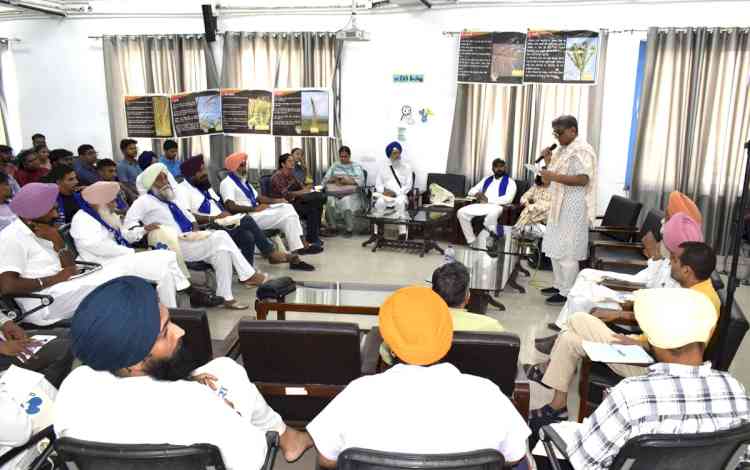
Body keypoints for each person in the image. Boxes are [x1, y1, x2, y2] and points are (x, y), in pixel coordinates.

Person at [54, 276, 314, 469]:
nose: (180, 332)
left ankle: (288, 436)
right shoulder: (195, 402)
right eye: (165, 331)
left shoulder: (75, 384)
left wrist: (187, 382)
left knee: (221, 369)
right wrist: (228, 413)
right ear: (133, 361)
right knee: (230, 373)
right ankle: (288, 437)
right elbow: (254, 459)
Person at [308, 286, 532, 469]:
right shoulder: (487, 393)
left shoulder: (358, 393)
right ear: (446, 339)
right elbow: (514, 457)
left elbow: (327, 459)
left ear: (391, 346)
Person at [527, 237, 720, 424]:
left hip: (646, 363)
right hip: (641, 346)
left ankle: (553, 387)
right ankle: (558, 402)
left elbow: (677, 351)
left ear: (687, 270)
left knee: (572, 332)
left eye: (675, 260)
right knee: (575, 324)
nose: (670, 262)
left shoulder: (699, 302)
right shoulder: (696, 291)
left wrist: (638, 343)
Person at [551, 288, 750, 470]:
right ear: (706, 335)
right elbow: (743, 459)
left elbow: (582, 461)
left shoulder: (631, 394)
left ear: (654, 341)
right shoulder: (735, 390)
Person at [124, 163, 266, 310]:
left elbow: (188, 215)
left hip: (190, 239)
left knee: (221, 253)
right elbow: (127, 230)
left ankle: (226, 297)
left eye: (166, 178)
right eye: (161, 179)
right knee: (221, 235)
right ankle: (248, 274)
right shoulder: (144, 201)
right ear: (152, 184)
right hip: (174, 246)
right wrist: (143, 230)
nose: (166, 182)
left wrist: (195, 228)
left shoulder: (170, 199)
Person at [548, 201, 703, 332]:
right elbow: (654, 276)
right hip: (639, 292)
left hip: (637, 301)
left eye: (667, 218)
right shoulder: (676, 254)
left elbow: (655, 292)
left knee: (580, 299)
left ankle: (565, 332)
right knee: (585, 275)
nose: (663, 222)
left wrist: (654, 255)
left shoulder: (681, 269)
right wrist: (655, 256)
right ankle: (564, 328)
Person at [0, 183, 135, 326]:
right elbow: (8, 286)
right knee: (115, 289)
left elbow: (70, 267)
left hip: (64, 288)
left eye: (56, 209)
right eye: (51, 210)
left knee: (123, 276)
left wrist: (58, 242)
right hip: (44, 302)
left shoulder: (45, 229)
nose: (56, 215)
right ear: (34, 212)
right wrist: (56, 278)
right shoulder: (12, 238)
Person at [177, 155, 311, 270]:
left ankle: (249, 270)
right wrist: (217, 217)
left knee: (282, 211)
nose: (205, 172)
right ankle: (271, 253)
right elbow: (227, 206)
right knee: (247, 220)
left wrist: (276, 201)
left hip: (228, 219)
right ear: (191, 174)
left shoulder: (207, 187)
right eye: (201, 171)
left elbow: (254, 198)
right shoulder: (189, 189)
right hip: (217, 222)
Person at [70, 181, 190, 308]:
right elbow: (97, 247)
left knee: (165, 263)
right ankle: (181, 292)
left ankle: (172, 308)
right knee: (163, 263)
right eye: (111, 201)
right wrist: (131, 252)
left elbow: (123, 235)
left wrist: (143, 230)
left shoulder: (103, 214)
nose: (115, 205)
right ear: (97, 203)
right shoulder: (83, 219)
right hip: (103, 265)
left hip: (119, 258)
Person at [380, 262, 505, 365]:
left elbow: (387, 355)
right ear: (467, 297)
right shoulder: (492, 328)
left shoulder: (408, 327)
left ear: (432, 294)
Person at [539, 116, 597, 306]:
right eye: (555, 133)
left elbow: (583, 179)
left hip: (574, 204)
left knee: (568, 251)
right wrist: (547, 162)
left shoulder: (582, 150)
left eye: (560, 133)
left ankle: (568, 292)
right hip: (559, 204)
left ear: (573, 130)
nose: (557, 137)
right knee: (556, 247)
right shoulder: (563, 150)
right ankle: (559, 285)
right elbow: (549, 180)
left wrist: (553, 175)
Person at [221, 152, 321, 258]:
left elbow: (258, 198)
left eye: (245, 165)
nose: (244, 168)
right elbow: (230, 206)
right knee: (288, 214)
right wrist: (254, 209)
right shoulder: (227, 183)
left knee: (288, 208)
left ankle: (296, 252)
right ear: (233, 167)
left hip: (257, 212)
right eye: (241, 165)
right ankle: (300, 246)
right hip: (247, 217)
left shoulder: (244, 182)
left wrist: (277, 201)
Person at [458, 158, 517, 247]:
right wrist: (477, 193)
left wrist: (488, 200)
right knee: (461, 212)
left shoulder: (510, 182)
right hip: (482, 205)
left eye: (501, 166)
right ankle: (472, 241)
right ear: (492, 168)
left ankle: (489, 242)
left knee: (491, 216)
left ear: (505, 168)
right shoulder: (487, 179)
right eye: (496, 166)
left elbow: (508, 199)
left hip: (498, 206)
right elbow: (471, 190)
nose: (499, 169)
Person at [270, 153, 324, 248]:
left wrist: (306, 188)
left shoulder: (291, 175)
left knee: (318, 203)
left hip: (294, 201)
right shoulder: (277, 176)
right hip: (283, 204)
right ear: (283, 164)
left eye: (293, 161)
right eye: (290, 161)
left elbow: (300, 186)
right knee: (312, 209)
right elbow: (286, 194)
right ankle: (311, 239)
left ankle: (313, 237)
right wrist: (302, 192)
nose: (293, 163)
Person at [321, 145, 365, 237]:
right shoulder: (335, 165)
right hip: (335, 191)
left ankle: (349, 228)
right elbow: (325, 179)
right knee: (329, 200)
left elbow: (360, 181)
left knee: (346, 201)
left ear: (349, 156)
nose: (343, 158)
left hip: (351, 193)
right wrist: (334, 179)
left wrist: (347, 181)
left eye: (345, 156)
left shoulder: (355, 166)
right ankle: (333, 227)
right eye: (341, 156)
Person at [374, 141, 412, 238]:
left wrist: (396, 193)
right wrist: (383, 192)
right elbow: (378, 183)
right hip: (386, 195)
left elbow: (408, 185)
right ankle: (377, 232)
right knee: (380, 202)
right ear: (389, 154)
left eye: (398, 152)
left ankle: (402, 233)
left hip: (400, 195)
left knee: (400, 203)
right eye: (394, 153)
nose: (397, 155)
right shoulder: (382, 167)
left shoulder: (407, 167)